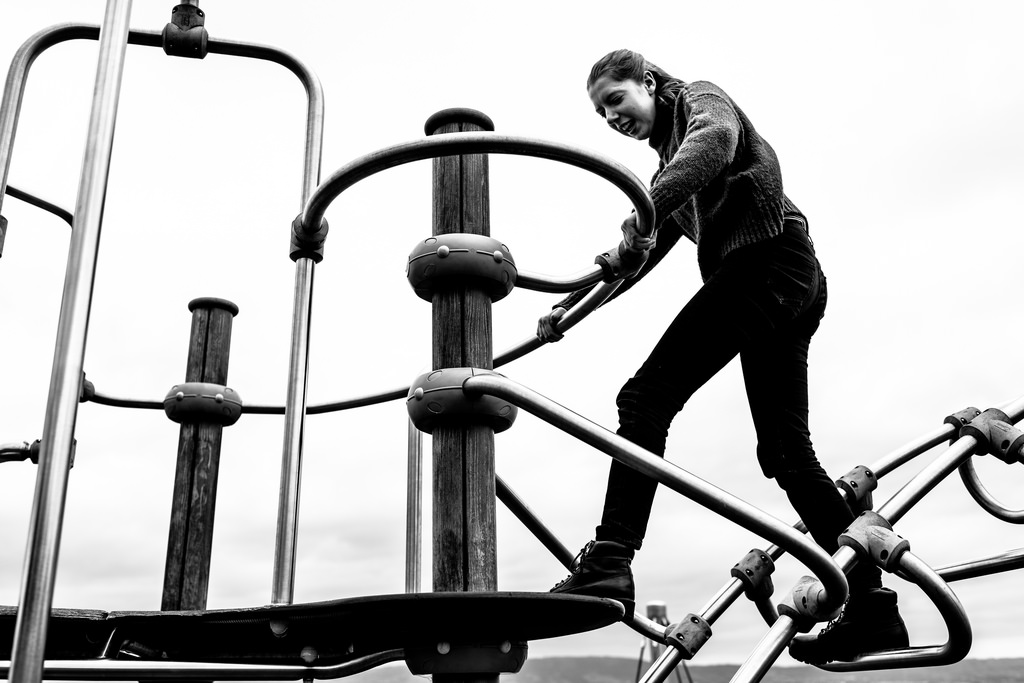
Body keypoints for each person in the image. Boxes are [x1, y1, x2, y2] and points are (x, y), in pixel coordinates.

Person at [537, 49, 909, 665]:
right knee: (786, 453)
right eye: (601, 113)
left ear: (649, 83)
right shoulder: (667, 174)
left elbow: (715, 141)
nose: (611, 118)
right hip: (787, 277)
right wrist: (572, 309)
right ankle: (872, 609)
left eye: (617, 100)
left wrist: (642, 214)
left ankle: (609, 560)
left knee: (645, 399)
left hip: (766, 263)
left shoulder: (699, 103)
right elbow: (639, 255)